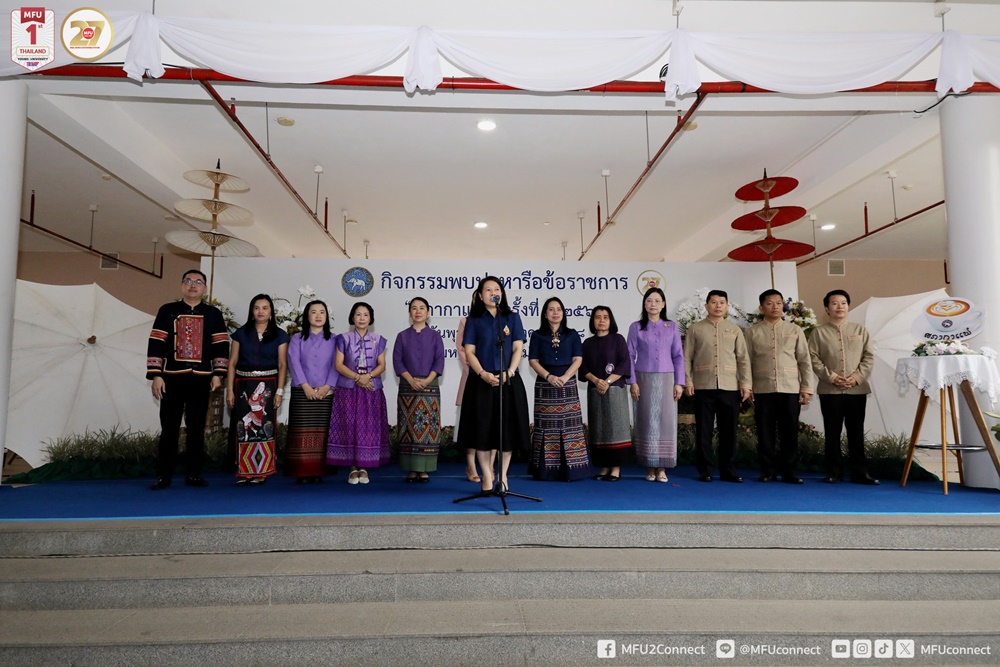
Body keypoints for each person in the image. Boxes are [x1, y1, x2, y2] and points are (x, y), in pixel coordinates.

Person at [146, 269, 230, 490]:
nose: (193, 285)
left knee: (196, 428)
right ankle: (163, 475)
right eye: (188, 281)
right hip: (171, 378)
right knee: (169, 428)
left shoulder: (213, 314)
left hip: (201, 379)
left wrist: (218, 374)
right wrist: (156, 374)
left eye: (198, 282)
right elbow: (156, 342)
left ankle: (194, 473)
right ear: (182, 285)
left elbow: (221, 344)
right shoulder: (167, 311)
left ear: (205, 288)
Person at [457, 275, 530, 494]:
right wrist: (482, 373)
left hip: (508, 380)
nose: (492, 293)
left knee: (506, 431)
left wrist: (510, 372)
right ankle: (487, 475)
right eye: (487, 290)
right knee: (482, 430)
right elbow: (469, 351)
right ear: (480, 296)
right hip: (481, 381)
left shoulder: (512, 317)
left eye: (496, 289)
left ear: (502, 293)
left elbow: (517, 348)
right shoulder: (474, 320)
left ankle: (503, 475)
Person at [809, 289, 879, 485]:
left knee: (856, 432)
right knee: (832, 432)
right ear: (827, 308)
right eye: (834, 303)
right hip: (830, 390)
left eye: (843, 303)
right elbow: (813, 358)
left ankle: (860, 473)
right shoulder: (818, 332)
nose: (839, 306)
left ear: (848, 307)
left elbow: (868, 357)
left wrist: (856, 377)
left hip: (856, 390)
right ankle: (834, 472)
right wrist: (831, 377)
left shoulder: (860, 330)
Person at [745, 289, 814, 484]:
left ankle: (789, 472)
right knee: (765, 432)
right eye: (769, 303)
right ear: (761, 308)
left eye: (778, 303)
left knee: (789, 432)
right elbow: (746, 362)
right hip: (762, 389)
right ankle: (768, 471)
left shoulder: (795, 330)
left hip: (790, 388)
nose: (775, 307)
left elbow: (804, 361)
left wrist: (806, 388)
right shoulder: (752, 332)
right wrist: (748, 387)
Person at [683, 290, 751, 483]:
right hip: (703, 386)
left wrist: (746, 384)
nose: (718, 305)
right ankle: (705, 470)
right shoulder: (695, 329)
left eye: (722, 302)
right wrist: (688, 380)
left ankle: (728, 470)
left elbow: (743, 359)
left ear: (727, 306)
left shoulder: (735, 330)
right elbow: (686, 357)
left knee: (728, 431)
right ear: (706, 306)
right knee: (704, 431)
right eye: (714, 302)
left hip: (730, 387)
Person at [226, 294, 290, 485]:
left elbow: (283, 365)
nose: (260, 311)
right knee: (243, 427)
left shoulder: (280, 335)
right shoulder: (240, 334)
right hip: (242, 385)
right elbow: (232, 363)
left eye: (265, 308)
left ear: (271, 312)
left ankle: (262, 470)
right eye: (256, 308)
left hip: (268, 386)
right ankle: (244, 470)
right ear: (251, 311)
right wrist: (230, 390)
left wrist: (280, 391)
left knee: (264, 427)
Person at [327, 302, 390, 484]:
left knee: (367, 428)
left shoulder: (378, 339)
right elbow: (338, 365)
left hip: (371, 390)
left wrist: (367, 376)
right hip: (347, 390)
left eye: (365, 315)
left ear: (370, 318)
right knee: (349, 427)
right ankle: (352, 468)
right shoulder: (343, 339)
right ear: (352, 317)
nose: (362, 318)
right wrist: (358, 378)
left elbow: (382, 365)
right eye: (358, 314)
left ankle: (364, 467)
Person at [528, 296, 590, 481]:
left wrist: (565, 377)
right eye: (551, 309)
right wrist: (549, 376)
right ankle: (546, 471)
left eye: (559, 309)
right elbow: (533, 361)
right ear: (545, 314)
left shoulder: (572, 334)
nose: (555, 313)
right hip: (545, 384)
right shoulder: (537, 335)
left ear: (563, 313)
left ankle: (573, 469)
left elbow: (578, 359)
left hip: (567, 384)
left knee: (569, 427)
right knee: (546, 426)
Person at [627, 287, 685, 483]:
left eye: (657, 300)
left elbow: (678, 356)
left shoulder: (672, 326)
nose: (653, 304)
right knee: (646, 421)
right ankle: (649, 466)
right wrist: (633, 382)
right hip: (643, 379)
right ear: (644, 304)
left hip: (667, 379)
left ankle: (662, 468)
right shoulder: (636, 327)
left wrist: (679, 383)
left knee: (665, 422)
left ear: (663, 304)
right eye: (649, 300)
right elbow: (629, 355)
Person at [286, 299, 339, 484]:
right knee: (301, 432)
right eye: (314, 312)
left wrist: (327, 386)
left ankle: (319, 471)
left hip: (326, 393)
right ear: (307, 316)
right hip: (302, 392)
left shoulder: (335, 339)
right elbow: (294, 362)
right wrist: (306, 386)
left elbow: (337, 365)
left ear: (327, 316)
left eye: (322, 312)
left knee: (322, 433)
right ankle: (302, 471)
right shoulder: (297, 338)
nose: (318, 316)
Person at [393, 297, 445, 482]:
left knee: (427, 428)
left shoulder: (435, 336)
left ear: (428, 312)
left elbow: (439, 360)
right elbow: (397, 361)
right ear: (409, 313)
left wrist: (427, 380)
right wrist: (410, 379)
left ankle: (424, 469)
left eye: (422, 308)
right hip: (408, 387)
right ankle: (411, 469)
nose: (418, 311)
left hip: (429, 387)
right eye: (414, 308)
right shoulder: (402, 336)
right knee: (408, 428)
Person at [579, 305, 632, 482]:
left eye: (605, 317)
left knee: (615, 428)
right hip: (595, 390)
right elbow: (583, 368)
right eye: (598, 317)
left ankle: (615, 468)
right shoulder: (587, 343)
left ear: (611, 321)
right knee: (599, 429)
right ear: (592, 321)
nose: (601, 320)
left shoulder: (618, 339)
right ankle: (603, 467)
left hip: (615, 389)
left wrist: (607, 381)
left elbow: (624, 364)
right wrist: (596, 381)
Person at [455, 289, 484, 483]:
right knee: (471, 424)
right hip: (473, 377)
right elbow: (462, 349)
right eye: (476, 298)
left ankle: (488, 467)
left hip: (493, 378)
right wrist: (478, 370)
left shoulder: (498, 321)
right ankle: (471, 465)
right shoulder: (466, 321)